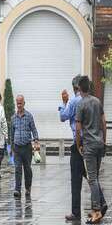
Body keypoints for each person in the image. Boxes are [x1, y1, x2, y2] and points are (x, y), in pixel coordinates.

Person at [76, 76, 107, 224]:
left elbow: (78, 128)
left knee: (92, 179)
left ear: (79, 89)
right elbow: (104, 123)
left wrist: (78, 144)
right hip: (100, 144)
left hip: (88, 145)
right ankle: (97, 207)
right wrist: (104, 140)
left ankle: (96, 210)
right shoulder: (97, 101)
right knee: (95, 178)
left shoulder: (81, 104)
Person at [58, 75, 85, 221]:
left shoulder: (74, 100)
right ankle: (101, 202)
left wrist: (63, 102)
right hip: (90, 143)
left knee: (75, 180)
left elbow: (63, 116)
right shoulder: (90, 99)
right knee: (90, 175)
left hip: (78, 143)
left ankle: (76, 212)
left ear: (75, 87)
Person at [11, 95, 39, 198]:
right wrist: (11, 146)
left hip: (27, 147)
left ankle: (28, 187)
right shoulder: (13, 118)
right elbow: (12, 133)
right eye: (17, 103)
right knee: (18, 168)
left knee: (27, 169)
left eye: (20, 103)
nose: (19, 105)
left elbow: (34, 129)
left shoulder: (29, 116)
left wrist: (36, 140)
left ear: (24, 103)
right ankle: (17, 189)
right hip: (17, 147)